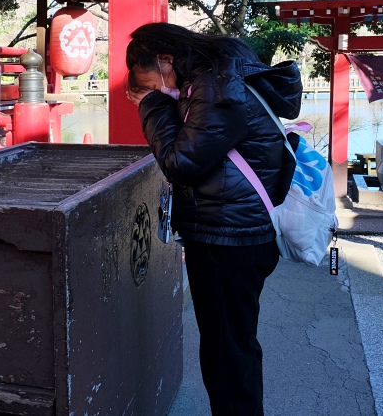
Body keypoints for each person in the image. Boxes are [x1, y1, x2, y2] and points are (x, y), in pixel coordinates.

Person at [125, 22, 302, 416]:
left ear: (165, 59)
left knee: (227, 354)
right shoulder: (221, 79)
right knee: (231, 347)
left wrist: (151, 105)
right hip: (236, 233)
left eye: (152, 82)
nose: (157, 91)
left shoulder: (218, 88)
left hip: (229, 241)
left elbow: (181, 163)